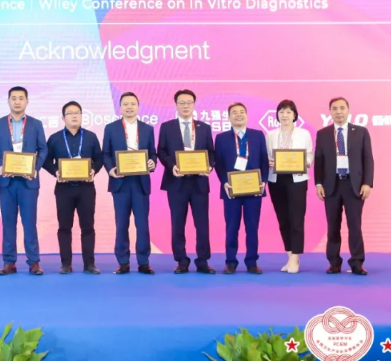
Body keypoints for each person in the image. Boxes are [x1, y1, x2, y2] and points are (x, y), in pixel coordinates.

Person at [0, 86, 48, 275]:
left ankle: (34, 262)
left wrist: (35, 169)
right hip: (6, 181)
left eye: (21, 98)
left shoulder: (36, 124)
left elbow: (43, 149)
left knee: (29, 223)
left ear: (27, 101)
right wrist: (0, 166)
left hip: (28, 182)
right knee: (8, 223)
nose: (17, 102)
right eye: (14, 98)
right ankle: (9, 262)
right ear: (8, 101)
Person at [157, 89, 216, 274]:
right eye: (182, 102)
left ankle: (203, 261)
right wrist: (172, 166)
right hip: (176, 182)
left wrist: (209, 166)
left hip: (199, 183)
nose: (185, 106)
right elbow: (161, 151)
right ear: (176, 105)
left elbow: (211, 152)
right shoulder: (167, 127)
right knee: (177, 223)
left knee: (202, 224)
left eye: (189, 102)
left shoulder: (204, 127)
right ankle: (181, 260)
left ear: (194, 105)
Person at [314, 97, 374, 276]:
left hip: (353, 185)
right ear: (330, 112)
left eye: (342, 108)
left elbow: (368, 159)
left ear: (348, 110)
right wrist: (318, 183)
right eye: (335, 108)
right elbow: (319, 161)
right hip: (331, 185)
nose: (338, 112)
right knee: (333, 226)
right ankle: (334, 263)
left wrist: (367, 183)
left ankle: (357, 262)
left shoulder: (361, 132)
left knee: (355, 226)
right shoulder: (323, 134)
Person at [43, 101, 103, 274]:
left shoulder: (91, 137)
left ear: (82, 116)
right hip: (64, 189)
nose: (74, 116)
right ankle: (65, 264)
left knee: (88, 227)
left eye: (77, 112)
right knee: (64, 227)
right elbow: (46, 161)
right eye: (70, 113)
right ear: (63, 118)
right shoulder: (55, 138)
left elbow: (99, 158)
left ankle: (89, 264)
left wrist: (94, 170)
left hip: (86, 188)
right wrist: (56, 172)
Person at [102, 92, 157, 274]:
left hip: (141, 183)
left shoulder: (147, 129)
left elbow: (153, 153)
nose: (129, 107)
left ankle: (143, 262)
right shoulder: (111, 128)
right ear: (120, 107)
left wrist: (152, 162)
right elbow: (106, 153)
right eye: (125, 104)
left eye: (133, 104)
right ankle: (123, 262)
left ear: (138, 107)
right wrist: (111, 170)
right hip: (120, 183)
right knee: (121, 224)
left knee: (142, 225)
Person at [214, 103, 269, 274]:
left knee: (252, 227)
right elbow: (218, 163)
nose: (238, 115)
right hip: (231, 189)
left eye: (242, 112)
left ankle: (252, 262)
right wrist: (224, 181)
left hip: (254, 189)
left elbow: (264, 160)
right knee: (232, 227)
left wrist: (264, 181)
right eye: (234, 112)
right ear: (229, 117)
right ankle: (231, 262)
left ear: (247, 115)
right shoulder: (221, 138)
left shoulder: (258, 135)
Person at [266, 99, 313, 274]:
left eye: (288, 112)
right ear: (277, 115)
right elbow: (266, 155)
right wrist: (269, 161)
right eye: (281, 112)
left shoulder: (304, 134)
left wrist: (304, 162)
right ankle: (289, 255)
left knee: (296, 219)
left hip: (297, 180)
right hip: (276, 180)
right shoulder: (270, 135)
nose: (284, 115)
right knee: (283, 219)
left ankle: (295, 258)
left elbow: (310, 155)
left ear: (294, 115)